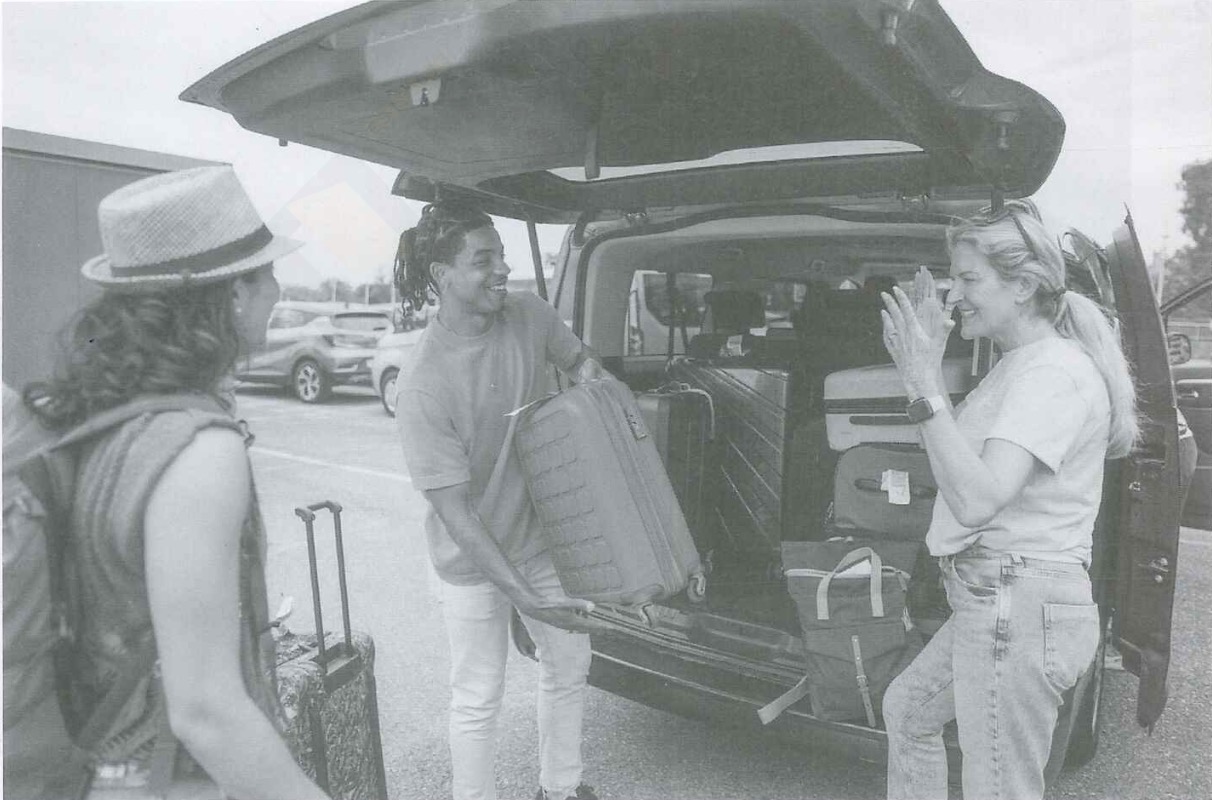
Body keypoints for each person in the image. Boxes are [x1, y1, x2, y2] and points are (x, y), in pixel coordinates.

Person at [19, 166, 329, 800]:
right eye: (265, 273)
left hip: (102, 771)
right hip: (166, 781)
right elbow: (206, 712)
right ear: (233, 293)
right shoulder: (199, 449)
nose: (276, 289)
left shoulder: (104, 413)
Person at [877, 199, 1139, 800]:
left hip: (1016, 603)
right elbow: (961, 468)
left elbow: (978, 500)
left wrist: (922, 381)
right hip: (998, 600)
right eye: (953, 278)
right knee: (909, 712)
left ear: (1023, 286)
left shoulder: (1051, 374)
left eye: (969, 279)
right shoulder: (1022, 365)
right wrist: (924, 381)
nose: (954, 294)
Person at [393, 202, 609, 800]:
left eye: (503, 256)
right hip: (469, 559)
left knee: (569, 665)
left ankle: (560, 790)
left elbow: (582, 364)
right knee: (478, 694)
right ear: (441, 275)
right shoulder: (422, 385)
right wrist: (525, 599)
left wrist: (599, 391)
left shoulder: (530, 314)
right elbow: (456, 514)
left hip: (540, 540)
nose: (502, 270)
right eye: (483, 259)